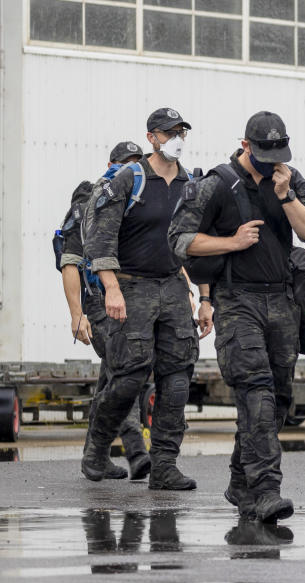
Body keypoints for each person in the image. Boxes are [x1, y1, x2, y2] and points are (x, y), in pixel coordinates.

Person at [169, 111, 305, 523]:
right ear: (245, 144)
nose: (271, 159)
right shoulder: (216, 184)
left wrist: (288, 196)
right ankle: (266, 489)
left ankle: (240, 482)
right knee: (255, 393)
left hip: (283, 302)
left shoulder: (288, 179)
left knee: (278, 402)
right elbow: (180, 241)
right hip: (238, 302)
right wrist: (231, 242)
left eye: (278, 153)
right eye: (263, 152)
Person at [82, 108, 200, 490]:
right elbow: (100, 237)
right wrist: (111, 287)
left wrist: (205, 295)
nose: (176, 138)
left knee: (178, 377)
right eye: (169, 132)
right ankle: (97, 450)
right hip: (131, 286)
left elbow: (194, 243)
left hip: (172, 286)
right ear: (152, 137)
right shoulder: (128, 180)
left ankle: (164, 465)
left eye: (181, 131)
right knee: (128, 378)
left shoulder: (189, 184)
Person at [58, 141, 150, 480]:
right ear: (111, 164)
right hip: (100, 303)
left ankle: (94, 458)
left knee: (112, 379)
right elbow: (70, 262)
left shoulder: (138, 202)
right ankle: (137, 451)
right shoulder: (90, 204)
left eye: (136, 163)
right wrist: (76, 313)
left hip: (134, 302)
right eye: (125, 162)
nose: (130, 168)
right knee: (124, 373)